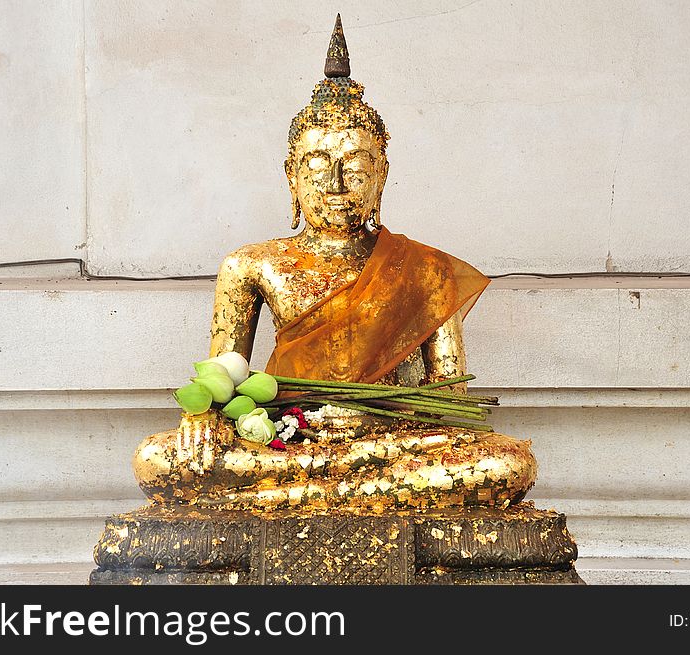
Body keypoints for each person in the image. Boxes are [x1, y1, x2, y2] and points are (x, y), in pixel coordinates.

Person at [133, 15, 536, 511]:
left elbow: (448, 403)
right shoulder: (252, 265)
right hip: (289, 437)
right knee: (158, 458)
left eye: (357, 166)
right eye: (319, 164)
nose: (337, 182)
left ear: (381, 175)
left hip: (390, 441)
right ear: (292, 174)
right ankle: (356, 496)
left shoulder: (424, 269)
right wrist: (204, 416)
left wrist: (373, 420)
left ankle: (294, 498)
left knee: (505, 464)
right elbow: (225, 376)